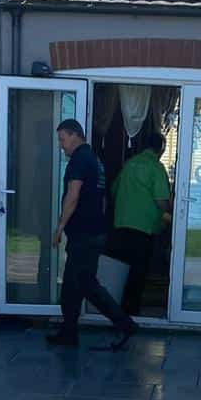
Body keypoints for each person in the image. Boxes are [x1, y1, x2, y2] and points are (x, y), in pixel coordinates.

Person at [49, 118, 136, 351]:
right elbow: (104, 199)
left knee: (80, 285)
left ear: (75, 135)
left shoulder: (79, 160)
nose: (61, 145)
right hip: (93, 233)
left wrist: (59, 229)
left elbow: (72, 195)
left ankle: (124, 324)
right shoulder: (95, 160)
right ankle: (70, 332)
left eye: (62, 139)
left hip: (84, 236)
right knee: (78, 284)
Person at [106, 130, 172, 318]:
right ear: (161, 148)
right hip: (143, 228)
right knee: (138, 273)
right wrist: (171, 209)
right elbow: (161, 201)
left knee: (121, 270)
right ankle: (130, 312)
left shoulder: (129, 164)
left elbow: (114, 191)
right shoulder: (155, 167)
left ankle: (114, 309)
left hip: (121, 225)